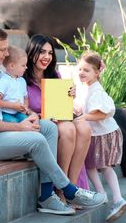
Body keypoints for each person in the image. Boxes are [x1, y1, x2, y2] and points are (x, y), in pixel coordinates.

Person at [0, 25, 106, 216]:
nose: (6, 54)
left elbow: (14, 99)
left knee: (47, 128)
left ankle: (47, 196)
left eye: (7, 49)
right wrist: (19, 127)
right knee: (36, 139)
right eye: (2, 49)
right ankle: (69, 190)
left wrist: (30, 115)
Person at [23, 35, 92, 192]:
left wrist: (69, 96)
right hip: (40, 123)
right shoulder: (22, 78)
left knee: (84, 128)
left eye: (50, 53)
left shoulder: (55, 76)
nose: (47, 57)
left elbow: (62, 108)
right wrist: (41, 115)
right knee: (68, 129)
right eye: (42, 52)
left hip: (58, 119)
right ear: (31, 52)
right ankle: (60, 189)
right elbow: (23, 109)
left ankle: (72, 187)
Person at [75, 51, 126, 222]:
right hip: (95, 134)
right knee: (89, 164)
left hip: (104, 134)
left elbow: (103, 113)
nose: (82, 73)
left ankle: (117, 199)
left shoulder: (97, 91)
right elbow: (84, 108)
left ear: (97, 73)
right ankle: (101, 194)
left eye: (87, 70)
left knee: (104, 167)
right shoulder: (86, 88)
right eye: (80, 69)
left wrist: (84, 117)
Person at [0, 46, 30, 123]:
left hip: (18, 112)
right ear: (12, 66)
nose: (26, 67)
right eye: (23, 65)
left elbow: (26, 97)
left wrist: (25, 108)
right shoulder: (4, 81)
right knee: (14, 122)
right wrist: (13, 106)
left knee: (27, 121)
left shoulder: (22, 81)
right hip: (5, 113)